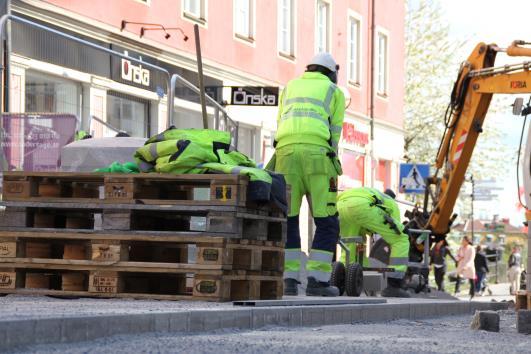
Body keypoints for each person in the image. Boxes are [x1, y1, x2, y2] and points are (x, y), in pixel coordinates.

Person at [270, 52, 345, 296]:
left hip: (286, 156)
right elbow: (334, 132)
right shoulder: (334, 92)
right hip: (318, 158)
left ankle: (289, 280)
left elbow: (280, 120)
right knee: (326, 220)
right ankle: (317, 281)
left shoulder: (290, 87)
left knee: (289, 218)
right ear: (331, 72)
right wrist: (332, 162)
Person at [337, 187, 411, 298]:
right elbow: (395, 232)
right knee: (401, 239)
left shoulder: (371, 192)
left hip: (341, 206)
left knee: (350, 244)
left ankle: (341, 280)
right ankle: (394, 285)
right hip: (362, 207)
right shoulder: (391, 203)